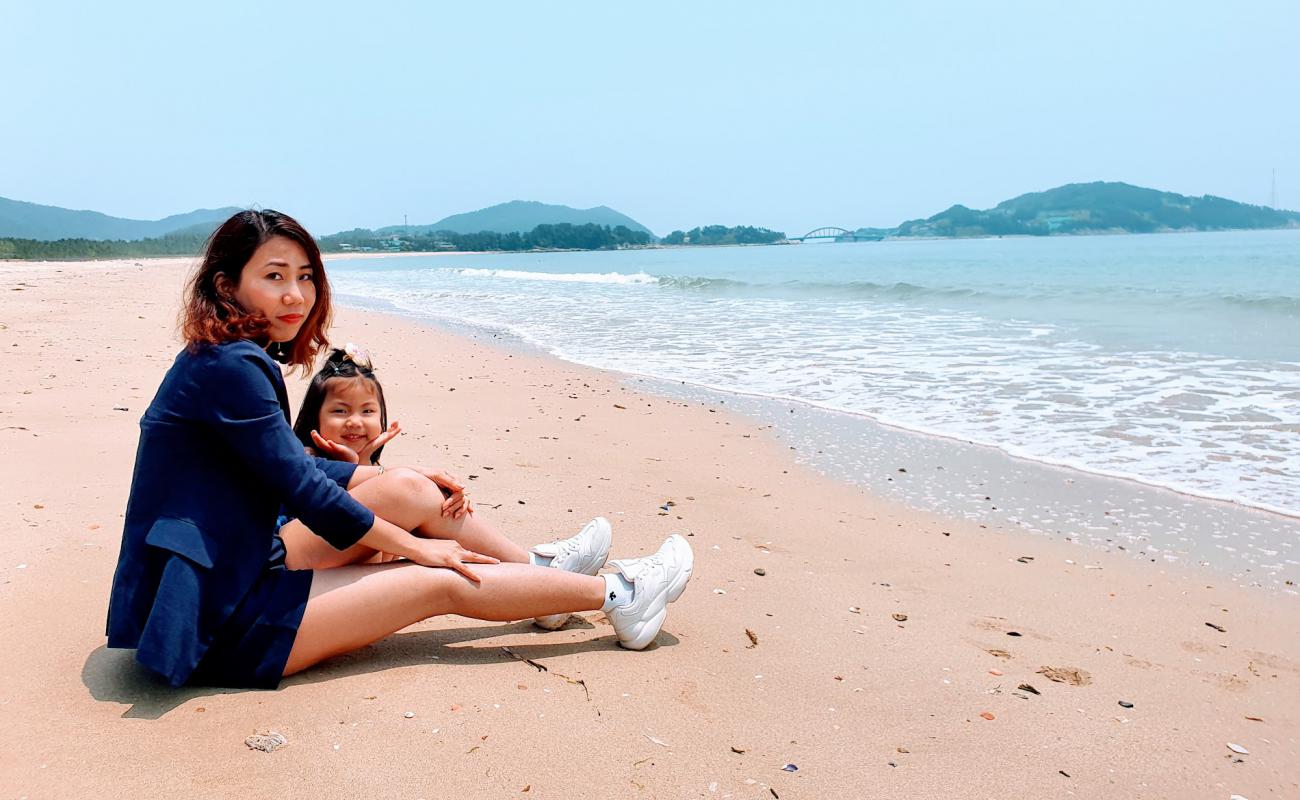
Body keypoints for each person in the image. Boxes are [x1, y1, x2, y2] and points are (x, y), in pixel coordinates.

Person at [105, 209, 693, 689]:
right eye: (275, 276)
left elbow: (285, 462)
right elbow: (301, 489)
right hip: (217, 621)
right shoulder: (230, 367)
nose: (296, 295)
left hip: (238, 567)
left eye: (306, 276)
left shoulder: (223, 359)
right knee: (436, 577)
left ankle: (542, 578)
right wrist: (416, 545)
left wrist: (401, 477)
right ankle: (621, 596)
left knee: (413, 492)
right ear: (227, 286)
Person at [284, 343, 609, 630]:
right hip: (297, 572)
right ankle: (540, 572)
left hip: (321, 569)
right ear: (314, 419)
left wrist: (365, 467)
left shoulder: (359, 465)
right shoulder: (304, 462)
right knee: (412, 496)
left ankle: (541, 577)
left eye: (367, 411)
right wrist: (363, 472)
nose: (355, 421)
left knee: (422, 503)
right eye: (340, 411)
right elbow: (366, 559)